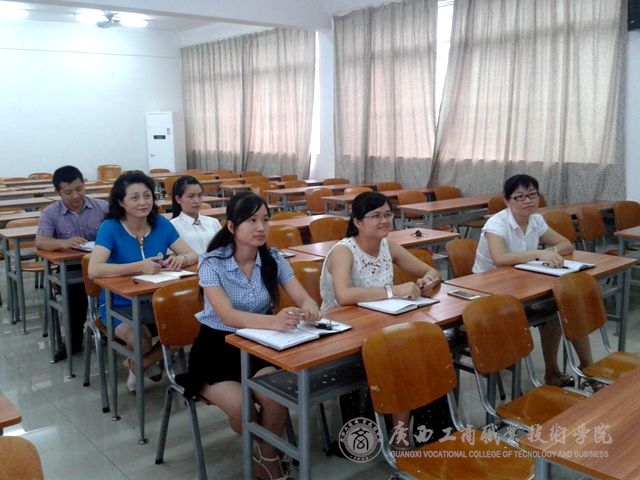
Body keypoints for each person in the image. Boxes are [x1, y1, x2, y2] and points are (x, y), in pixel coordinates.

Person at [186, 192, 320, 480]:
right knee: (243, 408)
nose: (261, 227)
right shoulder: (211, 263)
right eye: (251, 221)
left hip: (260, 345)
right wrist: (274, 321)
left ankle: (266, 457)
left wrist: (309, 307)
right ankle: (266, 448)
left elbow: (302, 296)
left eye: (265, 220)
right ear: (231, 227)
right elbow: (227, 316)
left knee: (276, 395)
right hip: (216, 348)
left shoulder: (273, 259)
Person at [319, 191, 442, 450]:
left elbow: (431, 270)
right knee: (404, 354)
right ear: (357, 222)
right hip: (341, 329)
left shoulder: (388, 245)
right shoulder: (344, 250)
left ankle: (424, 430)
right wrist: (392, 291)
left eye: (388, 214)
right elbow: (344, 296)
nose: (384, 220)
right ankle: (400, 439)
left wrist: (426, 282)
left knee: (427, 345)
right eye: (375, 216)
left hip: (379, 322)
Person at [473, 173, 593, 387]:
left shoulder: (536, 220)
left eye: (532, 195)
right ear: (507, 200)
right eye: (519, 197)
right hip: (489, 291)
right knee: (556, 306)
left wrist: (550, 253)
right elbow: (500, 258)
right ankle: (555, 372)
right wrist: (538, 254)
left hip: (521, 283)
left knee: (564, 304)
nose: (527, 201)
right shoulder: (496, 223)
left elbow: (566, 244)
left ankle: (579, 369)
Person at [88, 170, 197, 394]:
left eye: (147, 196)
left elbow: (192, 254)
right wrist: (139, 267)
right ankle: (145, 361)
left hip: (156, 300)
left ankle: (139, 365)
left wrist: (181, 259)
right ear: (121, 202)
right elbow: (94, 269)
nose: (143, 202)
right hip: (118, 304)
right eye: (135, 197)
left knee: (190, 328)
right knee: (143, 340)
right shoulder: (111, 227)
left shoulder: (160, 223)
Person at [36, 165, 109, 360]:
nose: (76, 196)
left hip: (103, 263)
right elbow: (40, 241)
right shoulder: (50, 213)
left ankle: (110, 331)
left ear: (84, 185)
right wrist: (64, 243)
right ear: (58, 192)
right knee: (75, 294)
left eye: (79, 189)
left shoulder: (102, 207)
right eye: (68, 192)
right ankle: (73, 341)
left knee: (114, 290)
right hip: (71, 267)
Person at [169, 175, 221, 254]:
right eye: (191, 196)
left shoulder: (213, 222)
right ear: (178, 199)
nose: (197, 201)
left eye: (199, 195)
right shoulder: (172, 226)